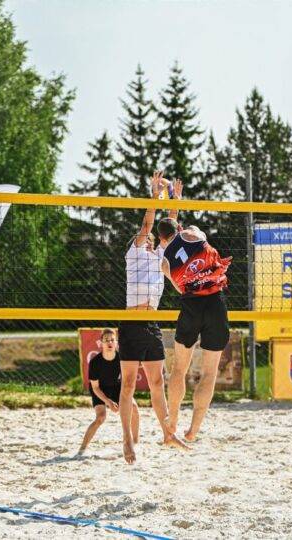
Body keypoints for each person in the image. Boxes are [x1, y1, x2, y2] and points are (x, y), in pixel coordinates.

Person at [119, 171, 188, 465]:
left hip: (151, 324)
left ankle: (168, 434)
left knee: (157, 382)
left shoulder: (161, 256)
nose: (149, 238)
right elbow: (149, 223)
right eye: (145, 237)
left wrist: (175, 201)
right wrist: (154, 196)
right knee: (128, 385)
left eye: (153, 239)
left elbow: (170, 228)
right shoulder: (134, 253)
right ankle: (127, 440)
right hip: (131, 324)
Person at [158, 217, 232, 442]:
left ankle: (172, 420)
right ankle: (193, 430)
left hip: (191, 306)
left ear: (161, 239)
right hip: (215, 303)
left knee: (179, 369)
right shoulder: (194, 233)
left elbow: (181, 288)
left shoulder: (164, 264)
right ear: (179, 227)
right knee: (210, 372)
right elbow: (194, 238)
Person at [78, 328, 134, 455]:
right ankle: (82, 448)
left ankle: (134, 443)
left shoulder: (122, 359)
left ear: (116, 342)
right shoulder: (95, 362)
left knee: (134, 408)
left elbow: (127, 382)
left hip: (116, 387)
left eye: (112, 340)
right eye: (106, 340)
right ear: (101, 343)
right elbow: (95, 388)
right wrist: (108, 402)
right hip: (100, 390)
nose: (109, 342)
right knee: (101, 417)